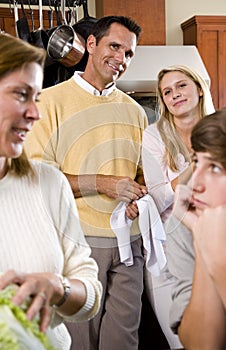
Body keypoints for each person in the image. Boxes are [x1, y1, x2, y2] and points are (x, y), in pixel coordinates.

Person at [25, 16, 148, 350]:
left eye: (129, 54)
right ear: (91, 44)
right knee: (80, 340)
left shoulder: (136, 112)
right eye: (114, 46)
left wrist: (140, 196)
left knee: (123, 338)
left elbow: (140, 177)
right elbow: (37, 179)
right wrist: (101, 183)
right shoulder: (48, 102)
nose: (121, 59)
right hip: (76, 241)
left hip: (129, 244)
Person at [0, 33, 102, 350]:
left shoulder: (48, 183)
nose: (36, 113)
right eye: (21, 94)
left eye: (37, 98)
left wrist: (58, 287)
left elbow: (90, 289)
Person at [140, 65, 215, 349]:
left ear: (198, 88)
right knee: (182, 339)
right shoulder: (154, 136)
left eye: (181, 86)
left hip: (216, 241)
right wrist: (196, 165)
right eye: (167, 91)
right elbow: (158, 198)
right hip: (169, 248)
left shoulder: (222, 128)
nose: (175, 95)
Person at [166, 105, 226, 350]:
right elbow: (204, 345)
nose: (195, 184)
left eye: (215, 167)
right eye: (196, 162)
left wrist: (223, 260)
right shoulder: (186, 223)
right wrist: (201, 238)